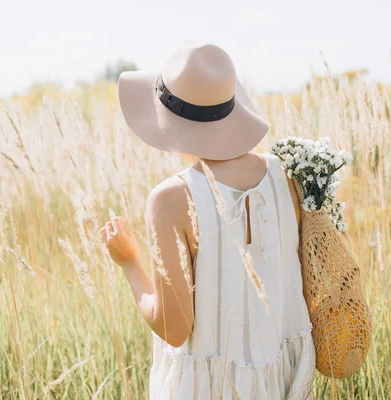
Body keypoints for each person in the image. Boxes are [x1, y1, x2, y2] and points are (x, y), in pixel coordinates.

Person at [100, 43, 315, 399]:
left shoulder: (172, 199)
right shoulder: (288, 176)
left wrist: (129, 263)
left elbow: (174, 328)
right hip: (286, 383)